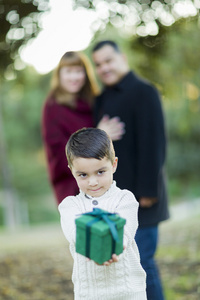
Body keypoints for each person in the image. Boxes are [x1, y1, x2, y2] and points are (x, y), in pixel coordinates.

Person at [92, 40, 169, 300]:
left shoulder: (144, 91)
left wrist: (148, 191)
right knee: (120, 268)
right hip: (113, 200)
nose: (104, 68)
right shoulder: (101, 99)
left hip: (143, 196)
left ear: (122, 57)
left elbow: (155, 143)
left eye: (108, 60)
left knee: (143, 264)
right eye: (98, 65)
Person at [58, 127, 147, 300]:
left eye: (100, 172)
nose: (93, 182)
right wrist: (95, 249)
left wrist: (113, 246)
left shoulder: (125, 199)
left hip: (129, 293)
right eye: (83, 175)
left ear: (113, 164)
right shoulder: (70, 206)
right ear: (71, 171)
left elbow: (125, 231)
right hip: (89, 295)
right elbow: (76, 234)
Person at [41, 51, 124, 205]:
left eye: (78, 71)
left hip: (101, 180)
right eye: (69, 71)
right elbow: (58, 151)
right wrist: (99, 135)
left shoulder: (92, 101)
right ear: (59, 75)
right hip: (72, 183)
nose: (74, 77)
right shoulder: (53, 107)